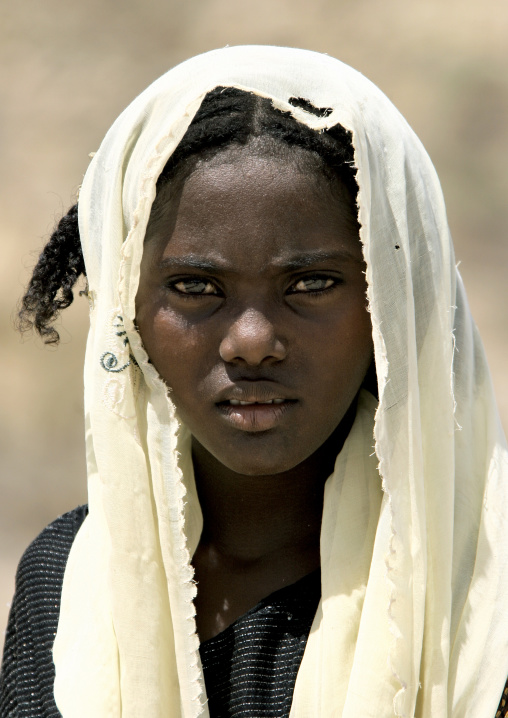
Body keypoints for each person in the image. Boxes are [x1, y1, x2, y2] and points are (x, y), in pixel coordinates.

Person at [1, 45, 507, 718]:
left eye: (311, 284)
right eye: (195, 288)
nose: (252, 343)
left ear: (395, 301)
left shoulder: (488, 593)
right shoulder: (68, 587)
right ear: (128, 309)